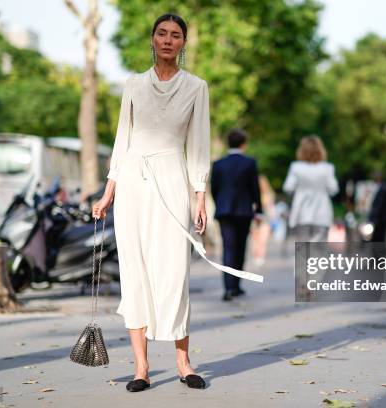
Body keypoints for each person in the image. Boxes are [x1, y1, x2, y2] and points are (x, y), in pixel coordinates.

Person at [91, 14, 263, 393]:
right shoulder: (133, 85)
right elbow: (122, 140)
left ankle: (184, 363)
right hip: (133, 183)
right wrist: (108, 192)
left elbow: (199, 146)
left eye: (176, 35)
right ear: (152, 39)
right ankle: (141, 367)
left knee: (174, 274)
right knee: (135, 273)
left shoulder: (197, 87)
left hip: (172, 179)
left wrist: (200, 197)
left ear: (183, 43)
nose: (168, 40)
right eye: (162, 34)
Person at [210, 128, 264, 301]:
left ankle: (228, 288)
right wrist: (259, 210)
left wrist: (220, 205)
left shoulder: (218, 164)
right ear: (243, 143)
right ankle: (236, 286)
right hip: (243, 211)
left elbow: (214, 188)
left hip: (224, 211)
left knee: (228, 248)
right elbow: (255, 189)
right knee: (240, 248)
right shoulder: (249, 163)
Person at [282, 135, 339, 242]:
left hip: (301, 210)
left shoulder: (296, 167)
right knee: (319, 249)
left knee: (303, 247)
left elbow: (288, 187)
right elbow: (333, 189)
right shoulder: (327, 168)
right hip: (322, 211)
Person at [367, 170, 386, 242]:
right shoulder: (385, 188)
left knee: (378, 240)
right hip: (382, 220)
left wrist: (373, 219)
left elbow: (379, 207)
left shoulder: (383, 189)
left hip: (380, 221)